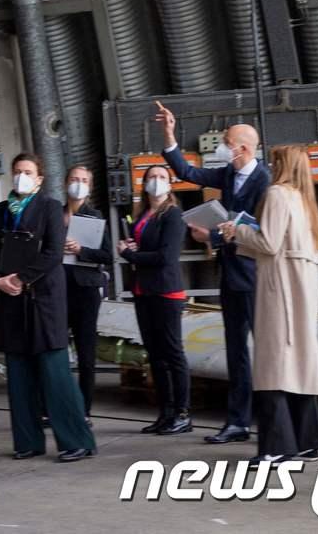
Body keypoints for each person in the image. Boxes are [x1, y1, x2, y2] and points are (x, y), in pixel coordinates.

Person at [154, 100, 269, 444]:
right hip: (232, 274)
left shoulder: (265, 181)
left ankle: (273, 421)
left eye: (227, 143)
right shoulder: (230, 175)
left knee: (264, 351)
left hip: (254, 275)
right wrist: (169, 135)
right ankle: (238, 422)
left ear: (244, 148)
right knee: (236, 351)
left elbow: (263, 229)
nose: (221, 148)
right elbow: (189, 174)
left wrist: (214, 235)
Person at [0, 152, 97, 462]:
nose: (22, 176)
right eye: (17, 170)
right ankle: (27, 441)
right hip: (10, 300)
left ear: (39, 178)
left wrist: (21, 278)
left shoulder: (49, 209)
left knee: (54, 372)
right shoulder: (1, 211)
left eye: (28, 171)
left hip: (43, 299)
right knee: (19, 375)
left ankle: (76, 441)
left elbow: (52, 254)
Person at [217, 145, 318, 462]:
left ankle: (277, 447)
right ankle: (307, 440)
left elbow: (269, 242)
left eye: (274, 161)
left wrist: (237, 230)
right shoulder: (305, 199)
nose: (270, 166)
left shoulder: (278, 194)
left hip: (280, 288)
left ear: (282, 165)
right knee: (299, 360)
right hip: (301, 285)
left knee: (273, 364)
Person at [118, 164, 192, 435]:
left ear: (170, 185)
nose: (156, 181)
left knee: (172, 352)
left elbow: (166, 256)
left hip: (165, 291)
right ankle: (166, 412)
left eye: (162, 177)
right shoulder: (143, 215)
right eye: (152, 177)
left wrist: (130, 256)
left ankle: (182, 412)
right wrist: (131, 246)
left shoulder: (173, 215)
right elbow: (149, 247)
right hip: (144, 290)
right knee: (156, 355)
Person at [63, 165, 112, 422]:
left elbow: (107, 255)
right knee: (55, 352)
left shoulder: (95, 217)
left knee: (86, 353)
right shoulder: (54, 215)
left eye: (83, 180)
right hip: (57, 290)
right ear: (65, 183)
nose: (78, 184)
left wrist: (81, 250)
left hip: (85, 290)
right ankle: (55, 407)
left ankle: (84, 410)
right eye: (74, 179)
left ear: (90, 187)